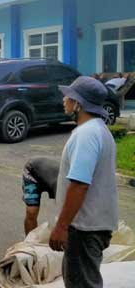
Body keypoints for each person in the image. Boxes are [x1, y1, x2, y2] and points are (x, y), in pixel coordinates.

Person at [49, 76, 119, 288]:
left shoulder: (87, 135)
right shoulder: (99, 130)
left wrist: (61, 227)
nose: (64, 100)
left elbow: (79, 184)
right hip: (92, 226)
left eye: (69, 97)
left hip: (84, 229)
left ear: (78, 104)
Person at [22, 157, 60, 235]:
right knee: (31, 211)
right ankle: (30, 242)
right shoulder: (63, 187)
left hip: (49, 177)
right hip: (32, 172)